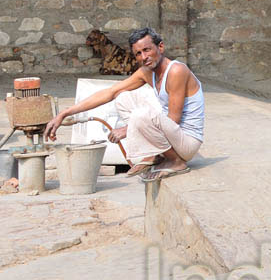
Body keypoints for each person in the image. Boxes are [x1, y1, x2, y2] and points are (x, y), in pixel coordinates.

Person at [47, 27, 204, 181]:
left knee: (141, 115)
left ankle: (175, 162)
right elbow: (110, 92)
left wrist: (128, 129)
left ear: (160, 47)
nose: (144, 57)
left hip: (186, 142)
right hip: (172, 136)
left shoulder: (176, 71)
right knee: (122, 97)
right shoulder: (146, 72)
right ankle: (158, 155)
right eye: (138, 53)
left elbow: (173, 120)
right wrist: (64, 113)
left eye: (147, 50)